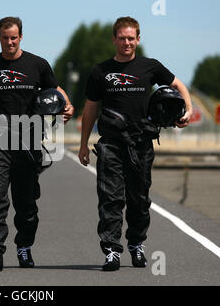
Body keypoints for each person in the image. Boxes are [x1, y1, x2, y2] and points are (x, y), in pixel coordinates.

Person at [78, 16, 193, 271]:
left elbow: (177, 84)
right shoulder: (101, 71)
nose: (127, 42)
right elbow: (90, 108)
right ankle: (111, 250)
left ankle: (136, 244)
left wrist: (187, 108)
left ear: (138, 39)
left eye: (131, 38)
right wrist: (84, 144)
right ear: (114, 39)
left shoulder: (149, 67)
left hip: (141, 144)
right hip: (110, 145)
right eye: (122, 38)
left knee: (139, 200)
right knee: (110, 199)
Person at [0, 16, 74, 272]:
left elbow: (56, 89)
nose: (9, 42)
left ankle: (24, 246)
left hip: (29, 141)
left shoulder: (37, 64)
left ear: (21, 37)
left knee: (26, 203)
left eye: (14, 37)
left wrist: (67, 105)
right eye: (5, 38)